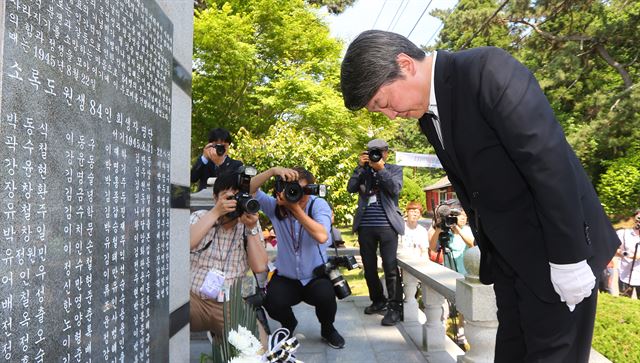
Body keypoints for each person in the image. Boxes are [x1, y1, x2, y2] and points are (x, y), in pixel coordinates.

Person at [340, 30, 619, 362]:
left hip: (557, 255)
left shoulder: (486, 71)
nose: (389, 115)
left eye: (383, 103)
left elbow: (548, 163)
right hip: (511, 265)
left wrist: (569, 259)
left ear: (404, 64)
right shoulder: (430, 115)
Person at [249, 166, 346, 349]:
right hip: (287, 278)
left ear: (311, 190)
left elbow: (322, 236)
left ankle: (328, 329)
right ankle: (288, 325)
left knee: (326, 295)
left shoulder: (317, 204)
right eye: (293, 190)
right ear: (282, 191)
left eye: (303, 190)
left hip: (315, 276)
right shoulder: (276, 206)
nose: (298, 195)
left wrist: (295, 209)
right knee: (272, 301)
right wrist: (272, 171)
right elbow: (249, 188)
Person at [189, 172, 268, 339]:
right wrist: (216, 212)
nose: (234, 203)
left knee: (260, 348)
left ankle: (221, 338)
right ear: (215, 197)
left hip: (230, 303)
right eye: (229, 197)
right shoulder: (201, 216)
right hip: (194, 298)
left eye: (238, 198)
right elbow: (185, 244)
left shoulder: (249, 225)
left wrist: (251, 228)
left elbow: (260, 266)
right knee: (157, 321)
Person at [347, 138, 404, 326]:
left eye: (379, 151)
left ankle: (395, 308)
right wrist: (359, 169)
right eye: (372, 150)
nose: (375, 154)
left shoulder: (394, 169)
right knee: (369, 267)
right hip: (365, 225)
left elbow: (394, 189)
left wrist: (381, 169)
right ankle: (378, 300)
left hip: (388, 225)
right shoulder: (363, 171)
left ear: (386, 152)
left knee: (390, 266)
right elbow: (351, 188)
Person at [428, 202, 474, 275]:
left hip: (464, 273)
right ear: (451, 216)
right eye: (460, 215)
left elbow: (471, 244)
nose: (463, 218)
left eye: (465, 215)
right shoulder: (446, 231)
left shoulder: (467, 230)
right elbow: (433, 248)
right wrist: (437, 231)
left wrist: (457, 228)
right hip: (448, 273)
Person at [615, 209, 640, 298]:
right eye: (638, 218)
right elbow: (614, 250)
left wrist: (635, 256)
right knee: (624, 302)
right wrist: (622, 253)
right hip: (625, 276)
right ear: (633, 219)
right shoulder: (623, 233)